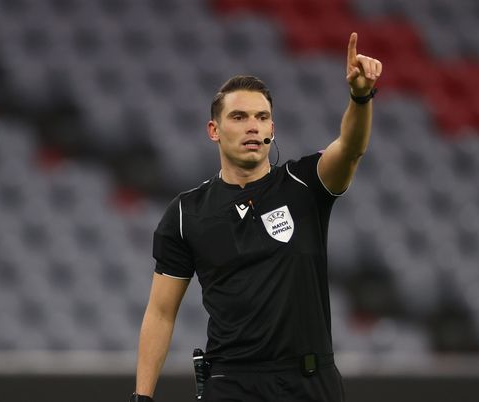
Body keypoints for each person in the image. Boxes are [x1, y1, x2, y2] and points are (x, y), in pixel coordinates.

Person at [130, 32, 382, 402]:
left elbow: (351, 148)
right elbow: (161, 312)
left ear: (272, 130)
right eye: (239, 116)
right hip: (232, 384)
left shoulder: (305, 184)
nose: (253, 125)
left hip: (310, 383)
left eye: (262, 117)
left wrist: (361, 98)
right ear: (214, 130)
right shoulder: (186, 213)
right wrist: (142, 397)